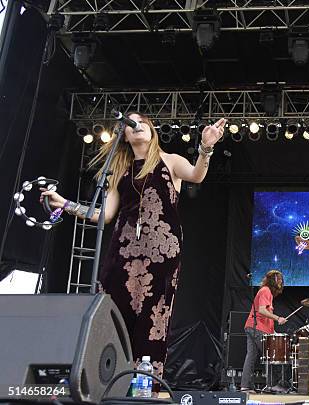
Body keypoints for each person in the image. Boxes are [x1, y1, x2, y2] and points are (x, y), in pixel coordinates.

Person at [41, 112, 226, 377]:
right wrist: (66, 204)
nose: (136, 126)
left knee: (153, 316)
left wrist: (206, 147)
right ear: (125, 136)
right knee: (115, 313)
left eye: (142, 122)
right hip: (123, 251)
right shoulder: (119, 170)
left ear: (151, 131)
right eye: (131, 124)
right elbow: (103, 214)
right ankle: (109, 378)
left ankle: (146, 383)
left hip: (162, 252)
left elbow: (197, 175)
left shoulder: (169, 161)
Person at [241, 270, 287, 393]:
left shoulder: (266, 292)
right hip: (257, 327)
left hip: (252, 326)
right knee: (273, 355)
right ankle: (272, 385)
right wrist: (278, 318)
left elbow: (265, 315)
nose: (281, 282)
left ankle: (245, 387)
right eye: (279, 279)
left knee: (250, 356)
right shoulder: (266, 290)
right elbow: (261, 310)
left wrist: (273, 331)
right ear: (274, 280)